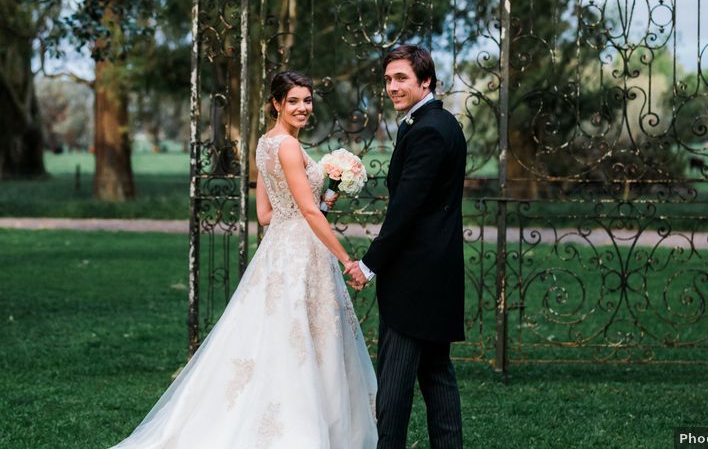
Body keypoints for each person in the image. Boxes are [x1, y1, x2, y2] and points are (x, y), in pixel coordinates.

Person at [111, 71, 377, 449]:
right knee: (305, 338)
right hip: (302, 252)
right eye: (294, 101)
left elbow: (266, 215)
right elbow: (308, 213)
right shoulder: (286, 147)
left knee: (277, 336)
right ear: (276, 104)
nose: (302, 108)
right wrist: (347, 259)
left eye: (307, 100)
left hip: (278, 251)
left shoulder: (264, 145)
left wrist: (325, 197)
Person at [345, 45, 467, 449]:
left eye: (401, 79)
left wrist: (370, 263)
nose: (392, 87)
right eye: (387, 80)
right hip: (438, 273)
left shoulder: (429, 130)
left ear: (425, 81)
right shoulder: (440, 123)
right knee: (436, 374)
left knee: (394, 391)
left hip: (414, 278)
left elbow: (406, 210)